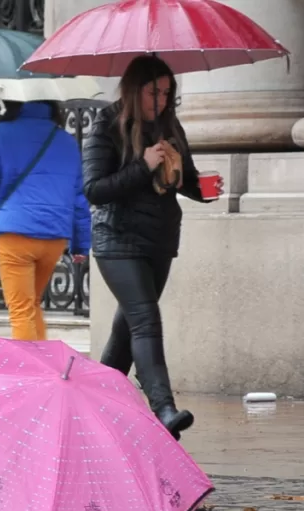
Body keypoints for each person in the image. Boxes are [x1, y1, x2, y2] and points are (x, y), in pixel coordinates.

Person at [81, 55, 222, 440]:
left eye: (166, 93)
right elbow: (95, 189)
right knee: (145, 320)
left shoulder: (169, 127)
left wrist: (204, 189)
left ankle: (91, 403)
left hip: (159, 240)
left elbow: (186, 180)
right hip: (117, 239)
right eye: (152, 92)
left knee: (127, 331)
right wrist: (142, 164)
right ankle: (163, 408)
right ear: (134, 89)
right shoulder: (106, 124)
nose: (160, 101)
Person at [0, 101, 90, 341]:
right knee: (32, 305)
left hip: (15, 233)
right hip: (55, 235)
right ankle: (44, 366)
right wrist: (81, 243)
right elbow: (78, 198)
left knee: (21, 310)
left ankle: (32, 372)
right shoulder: (65, 140)